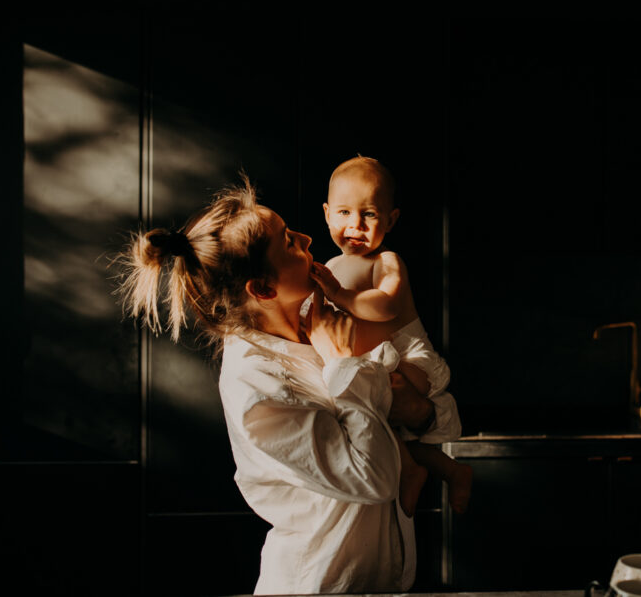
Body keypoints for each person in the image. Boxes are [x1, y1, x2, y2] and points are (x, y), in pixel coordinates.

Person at [117, 176, 455, 595]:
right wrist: (344, 364)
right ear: (262, 288)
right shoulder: (256, 389)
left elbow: (430, 404)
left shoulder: (326, 317)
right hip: (320, 586)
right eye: (290, 243)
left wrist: (420, 411)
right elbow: (377, 479)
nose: (309, 237)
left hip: (382, 582)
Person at [309, 155, 472, 517]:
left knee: (374, 401)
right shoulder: (331, 267)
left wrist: (340, 296)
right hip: (378, 364)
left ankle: (416, 471)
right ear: (326, 214)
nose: (356, 225)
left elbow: (384, 306)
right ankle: (447, 471)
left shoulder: (387, 262)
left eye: (368, 214)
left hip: (413, 360)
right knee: (377, 420)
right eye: (344, 213)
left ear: (391, 219)